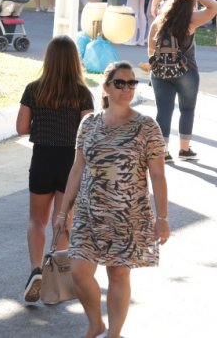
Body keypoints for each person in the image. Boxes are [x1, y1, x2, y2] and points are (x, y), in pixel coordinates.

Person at [55, 62, 169, 338]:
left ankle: (114, 333)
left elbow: (157, 175)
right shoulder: (89, 124)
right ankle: (95, 323)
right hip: (88, 212)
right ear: (106, 87)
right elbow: (77, 169)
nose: (127, 88)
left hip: (127, 213)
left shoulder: (147, 127)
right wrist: (62, 212)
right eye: (120, 83)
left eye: (132, 83)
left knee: (118, 274)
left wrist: (162, 217)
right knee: (79, 272)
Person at [16, 36, 94, 303]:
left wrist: (42, 126)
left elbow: (21, 127)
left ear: (48, 59)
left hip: (41, 159)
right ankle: (57, 277)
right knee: (63, 221)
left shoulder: (33, 89)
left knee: (36, 220)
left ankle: (35, 270)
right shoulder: (82, 93)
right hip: (70, 163)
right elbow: (88, 132)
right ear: (75, 61)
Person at [149, 0, 217, 162]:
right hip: (186, 71)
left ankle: (163, 151)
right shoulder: (190, 21)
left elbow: (150, 49)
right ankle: (184, 149)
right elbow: (214, 6)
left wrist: (159, 66)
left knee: (163, 110)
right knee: (187, 109)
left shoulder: (158, 21)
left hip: (160, 73)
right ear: (191, 3)